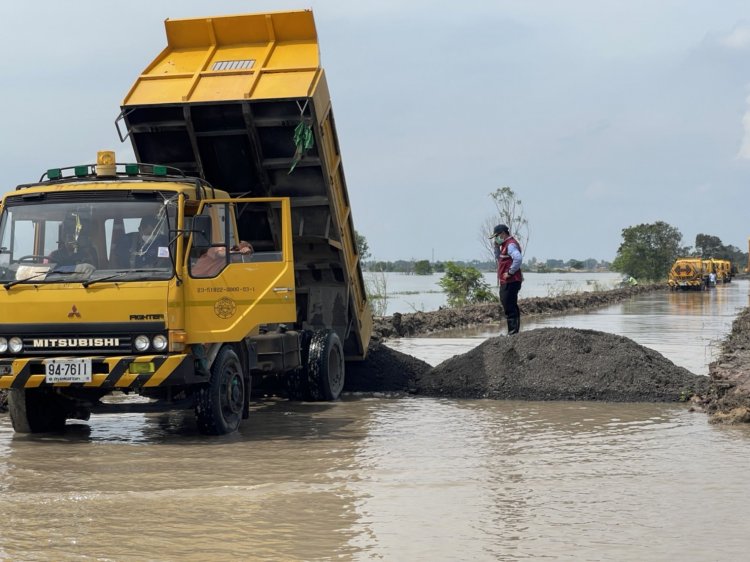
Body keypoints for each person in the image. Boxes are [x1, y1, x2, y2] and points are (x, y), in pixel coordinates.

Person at [491, 224, 523, 335]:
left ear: (503, 234)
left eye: (497, 236)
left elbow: (518, 258)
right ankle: (514, 332)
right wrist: (496, 247)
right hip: (508, 281)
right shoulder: (504, 245)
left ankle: (513, 332)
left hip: (511, 280)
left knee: (509, 306)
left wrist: (510, 272)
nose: (496, 239)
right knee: (510, 304)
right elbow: (499, 258)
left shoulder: (510, 245)